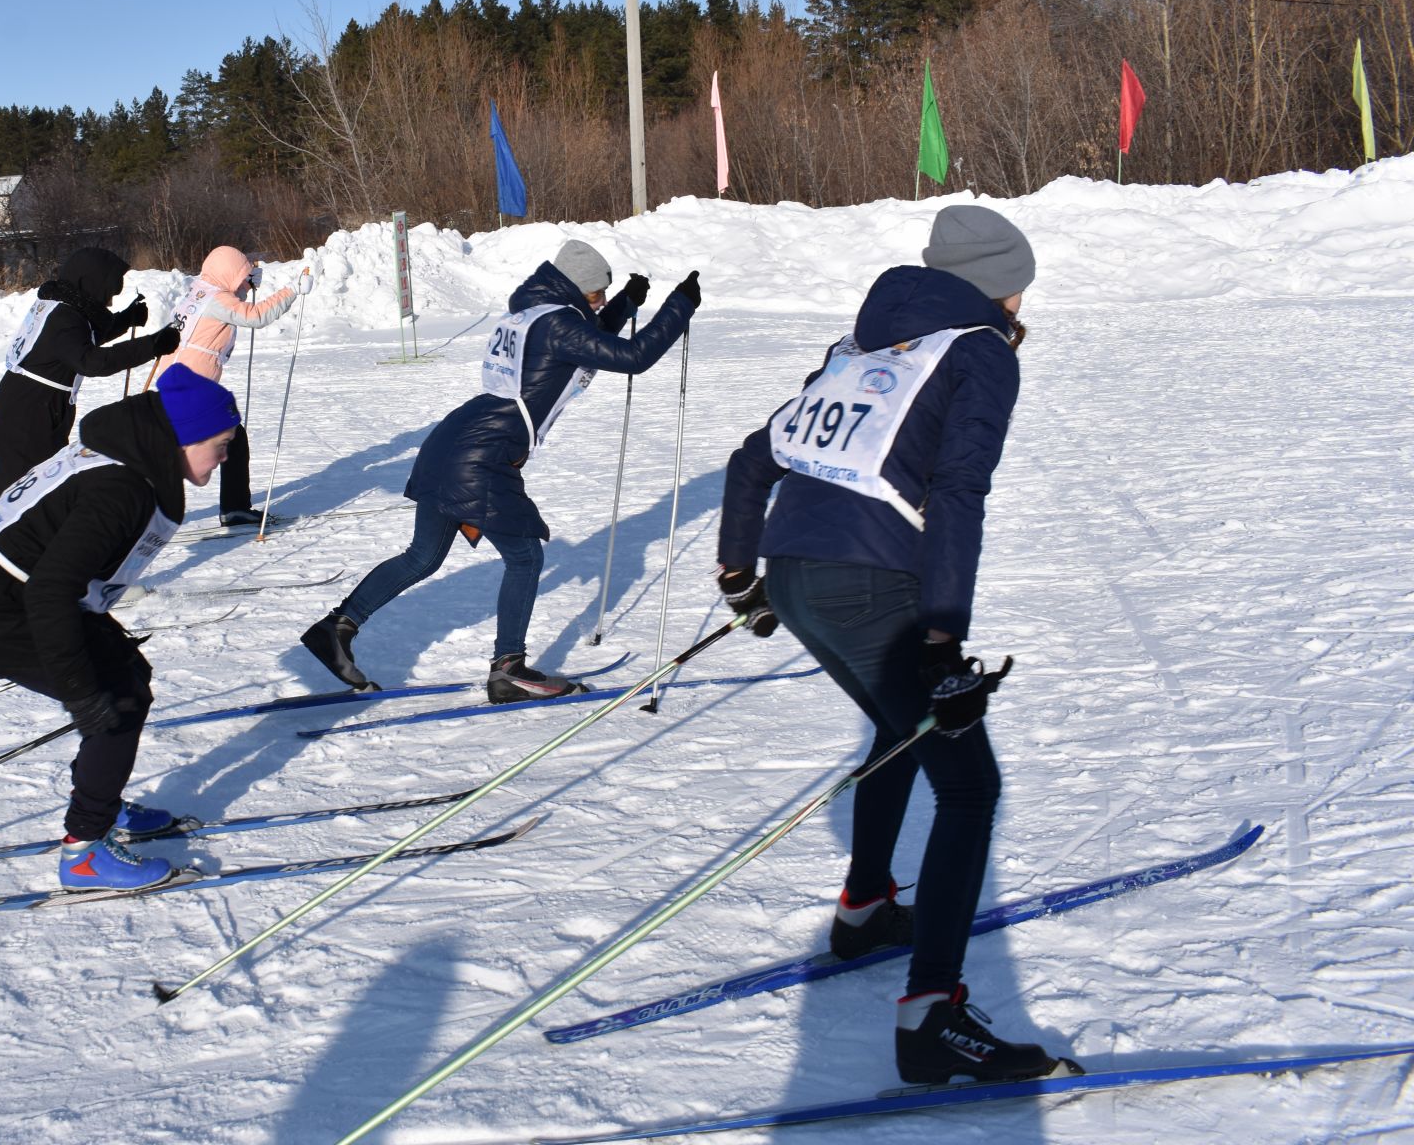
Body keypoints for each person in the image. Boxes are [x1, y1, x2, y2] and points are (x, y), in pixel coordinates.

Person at [715, 204, 1075, 1084]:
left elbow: (749, 462)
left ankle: (867, 905)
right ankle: (931, 1019)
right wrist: (946, 638)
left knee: (893, 729)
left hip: (798, 572)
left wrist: (741, 577)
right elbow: (958, 490)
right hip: (873, 581)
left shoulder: (862, 347)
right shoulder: (979, 348)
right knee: (968, 782)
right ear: (1001, 281)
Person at [302, 239, 698, 702]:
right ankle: (508, 668)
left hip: (452, 443)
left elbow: (587, 346)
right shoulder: (558, 322)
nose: (602, 302)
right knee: (525, 556)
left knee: (423, 557)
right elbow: (632, 358)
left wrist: (628, 302)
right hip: (482, 456)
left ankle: (337, 628)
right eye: (597, 295)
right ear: (576, 288)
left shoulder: (534, 312)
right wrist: (680, 306)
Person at [0, 366, 243, 889]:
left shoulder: (129, 461)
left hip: (16, 592)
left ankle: (102, 802)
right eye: (221, 443)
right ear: (185, 438)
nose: (225, 457)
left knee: (129, 678)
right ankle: (85, 853)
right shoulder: (121, 489)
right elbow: (50, 591)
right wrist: (79, 691)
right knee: (114, 704)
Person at [0, 246, 182, 505]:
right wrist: (152, 345)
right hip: (27, 415)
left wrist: (126, 320)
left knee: (44, 492)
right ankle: (1, 543)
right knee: (24, 496)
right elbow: (91, 362)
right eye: (107, 294)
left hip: (35, 407)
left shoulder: (60, 308)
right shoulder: (63, 317)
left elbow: (80, 343)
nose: (109, 302)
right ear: (91, 284)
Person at [150, 245, 308, 526]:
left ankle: (234, 507)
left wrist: (245, 287)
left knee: (230, 438)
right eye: (241, 274)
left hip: (181, 384)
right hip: (191, 388)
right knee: (190, 447)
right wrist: (293, 290)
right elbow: (254, 316)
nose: (243, 280)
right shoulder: (216, 300)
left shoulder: (199, 293)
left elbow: (232, 307)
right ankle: (141, 509)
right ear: (228, 273)